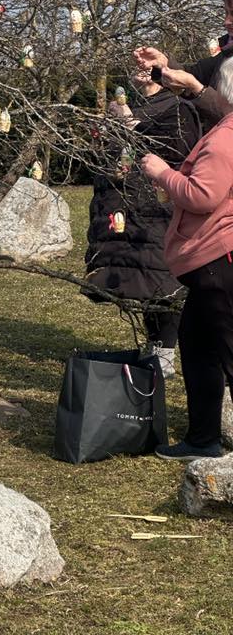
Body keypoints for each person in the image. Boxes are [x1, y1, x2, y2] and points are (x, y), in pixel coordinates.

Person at [141, 54, 233, 461]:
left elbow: (203, 195)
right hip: (211, 263)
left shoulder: (225, 137)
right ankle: (202, 439)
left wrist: (163, 172)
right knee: (198, 347)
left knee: (226, 350)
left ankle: (205, 440)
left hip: (219, 259)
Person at [85, 71, 200, 376]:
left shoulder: (178, 107)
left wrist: (131, 126)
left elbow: (178, 152)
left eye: (149, 66)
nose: (139, 69)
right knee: (142, 280)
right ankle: (154, 344)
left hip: (157, 206)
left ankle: (165, 351)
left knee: (162, 279)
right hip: (125, 208)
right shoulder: (133, 106)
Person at [133, 0, 233, 129]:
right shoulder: (225, 55)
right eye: (226, 13)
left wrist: (197, 89)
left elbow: (229, 114)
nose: (227, 21)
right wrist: (163, 63)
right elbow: (194, 73)